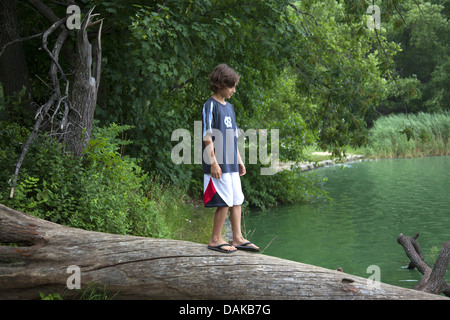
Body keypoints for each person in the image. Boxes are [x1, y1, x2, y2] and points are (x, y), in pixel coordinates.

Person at [201, 64, 259, 253]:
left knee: (237, 199)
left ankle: (237, 238)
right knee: (224, 200)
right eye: (232, 86)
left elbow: (232, 137)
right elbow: (207, 136)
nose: (234, 90)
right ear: (221, 85)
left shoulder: (230, 108)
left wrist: (240, 160)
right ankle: (215, 239)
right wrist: (213, 162)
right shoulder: (210, 105)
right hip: (218, 164)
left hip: (231, 162)